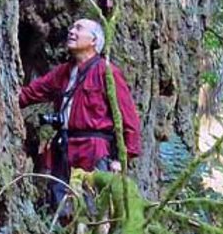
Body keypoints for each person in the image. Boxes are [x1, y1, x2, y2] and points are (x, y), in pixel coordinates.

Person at [19, 18, 142, 215]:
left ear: (94, 41)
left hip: (94, 150)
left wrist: (122, 158)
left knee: (92, 209)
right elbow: (32, 93)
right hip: (64, 147)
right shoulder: (64, 72)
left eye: (79, 28)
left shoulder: (107, 71)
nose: (72, 31)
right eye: (72, 27)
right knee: (61, 206)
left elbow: (129, 119)